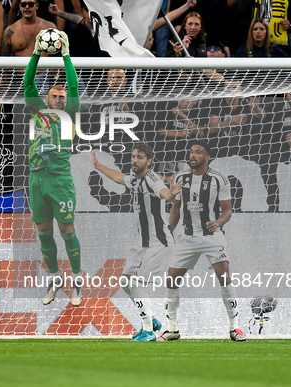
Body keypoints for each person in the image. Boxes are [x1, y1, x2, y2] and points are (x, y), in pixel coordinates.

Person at [91, 145, 182, 341]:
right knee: (125, 282)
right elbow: (118, 177)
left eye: (140, 157)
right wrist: (98, 166)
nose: (135, 160)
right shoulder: (134, 179)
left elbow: (164, 193)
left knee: (135, 282)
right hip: (142, 242)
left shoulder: (152, 179)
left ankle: (148, 330)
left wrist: (172, 193)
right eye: (133, 156)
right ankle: (151, 320)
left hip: (159, 242)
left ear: (149, 161)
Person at [160, 141, 247, 342]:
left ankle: (235, 328)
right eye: (191, 152)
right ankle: (172, 329)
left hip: (211, 235)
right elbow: (175, 209)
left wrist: (217, 223)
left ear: (207, 157)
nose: (193, 155)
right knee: (171, 279)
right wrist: (167, 233)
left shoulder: (219, 179)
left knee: (224, 275)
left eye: (198, 152)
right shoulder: (181, 178)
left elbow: (227, 210)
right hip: (187, 236)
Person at [24, 30, 83, 306]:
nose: (59, 99)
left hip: (60, 180)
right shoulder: (37, 111)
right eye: (54, 96)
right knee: (44, 234)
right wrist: (36, 54)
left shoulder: (69, 115)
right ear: (47, 98)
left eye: (61, 96)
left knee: (67, 231)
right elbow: (27, 84)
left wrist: (66, 55)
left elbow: (73, 87)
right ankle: (54, 278)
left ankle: (77, 280)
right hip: (36, 180)